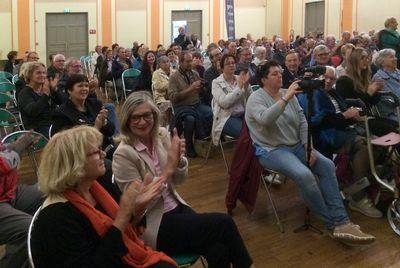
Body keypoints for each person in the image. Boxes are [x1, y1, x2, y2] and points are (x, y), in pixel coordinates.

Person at [112, 92, 254, 268]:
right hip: (153, 223)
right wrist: (169, 168)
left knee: (219, 250)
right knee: (224, 223)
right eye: (135, 117)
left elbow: (178, 180)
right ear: (126, 120)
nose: (142, 122)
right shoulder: (123, 154)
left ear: (154, 115)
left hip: (177, 209)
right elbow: (136, 207)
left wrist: (179, 160)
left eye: (146, 115)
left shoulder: (161, 135)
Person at [245, 60, 375, 244]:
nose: (280, 76)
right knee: (305, 175)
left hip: (297, 145)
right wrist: (286, 98)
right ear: (263, 79)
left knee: (327, 165)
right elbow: (266, 120)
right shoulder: (256, 98)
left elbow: (302, 121)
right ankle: (332, 225)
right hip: (272, 149)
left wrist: (309, 148)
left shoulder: (285, 94)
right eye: (274, 74)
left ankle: (343, 221)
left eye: (280, 73)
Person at [31, 126, 176, 267]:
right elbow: (96, 261)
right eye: (96, 152)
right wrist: (123, 216)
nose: (104, 155)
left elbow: (126, 232)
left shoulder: (98, 186)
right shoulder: (55, 217)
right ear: (75, 163)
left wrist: (137, 208)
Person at [297, 66, 382, 218]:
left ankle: (358, 184)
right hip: (323, 135)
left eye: (332, 78)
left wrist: (353, 116)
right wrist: (345, 116)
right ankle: (358, 197)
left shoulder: (332, 92)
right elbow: (317, 123)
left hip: (340, 129)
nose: (328, 81)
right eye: (325, 77)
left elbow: (341, 111)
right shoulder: (311, 94)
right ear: (317, 77)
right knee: (363, 146)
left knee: (377, 144)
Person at [0, 133, 43, 268]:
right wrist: (18, 147)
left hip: (8, 192)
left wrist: (13, 145)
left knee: (51, 191)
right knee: (29, 229)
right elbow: (4, 164)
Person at [51, 74, 115, 150]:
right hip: (83, 154)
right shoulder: (62, 113)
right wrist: (96, 128)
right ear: (69, 90)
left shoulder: (95, 104)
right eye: (80, 86)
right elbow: (69, 144)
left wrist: (104, 122)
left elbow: (111, 131)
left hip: (105, 148)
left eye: (86, 86)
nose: (84, 89)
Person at [168, 52, 213, 158]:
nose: (190, 63)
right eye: (187, 61)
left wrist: (202, 88)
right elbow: (173, 97)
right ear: (181, 62)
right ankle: (189, 145)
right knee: (190, 119)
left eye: (191, 61)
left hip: (196, 104)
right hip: (182, 106)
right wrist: (191, 88)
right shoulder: (174, 77)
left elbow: (202, 93)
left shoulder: (194, 73)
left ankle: (202, 139)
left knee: (211, 113)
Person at [211, 54, 251, 144]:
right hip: (226, 117)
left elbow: (250, 99)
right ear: (222, 67)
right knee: (246, 135)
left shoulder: (240, 78)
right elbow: (224, 103)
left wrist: (247, 86)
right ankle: (245, 156)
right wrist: (240, 87)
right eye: (228, 63)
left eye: (233, 63)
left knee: (258, 130)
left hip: (243, 114)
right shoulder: (216, 82)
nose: (231, 65)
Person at [17, 62, 63, 137]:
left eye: (44, 73)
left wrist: (55, 90)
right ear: (29, 75)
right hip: (36, 129)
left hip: (52, 124)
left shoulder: (46, 88)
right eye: (38, 73)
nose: (42, 75)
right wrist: (45, 95)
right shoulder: (24, 93)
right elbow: (33, 111)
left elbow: (63, 103)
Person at [372, 48, 400, 120]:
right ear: (382, 62)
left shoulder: (398, 72)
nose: (395, 59)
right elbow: (393, 99)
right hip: (393, 113)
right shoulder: (379, 78)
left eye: (395, 56)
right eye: (391, 57)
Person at [152, 56, 174, 126]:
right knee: (167, 105)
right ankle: (167, 125)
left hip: (173, 95)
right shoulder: (156, 73)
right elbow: (157, 87)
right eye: (164, 62)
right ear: (160, 64)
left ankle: (175, 125)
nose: (166, 63)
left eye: (167, 61)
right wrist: (170, 84)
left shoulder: (174, 72)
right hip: (161, 96)